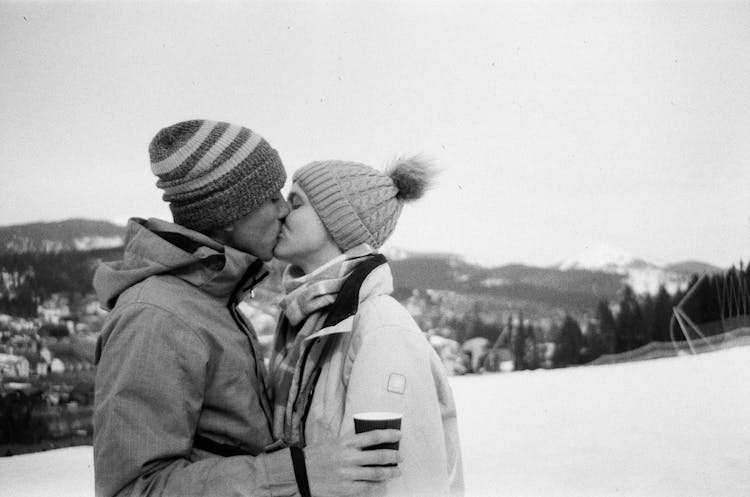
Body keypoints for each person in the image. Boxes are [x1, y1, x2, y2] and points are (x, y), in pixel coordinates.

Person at [93, 120, 401, 497]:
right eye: (271, 197)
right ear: (227, 214)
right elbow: (134, 490)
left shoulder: (212, 299)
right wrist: (298, 475)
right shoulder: (156, 317)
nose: (284, 210)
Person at [270, 157, 464, 496]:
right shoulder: (307, 321)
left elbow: (396, 482)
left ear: (338, 223)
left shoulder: (380, 330)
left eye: (296, 202)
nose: (282, 211)